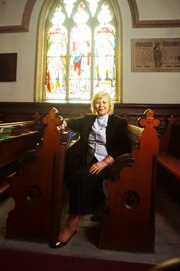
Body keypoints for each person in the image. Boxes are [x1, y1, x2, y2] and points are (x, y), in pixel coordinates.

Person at [50, 91, 131, 248]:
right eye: (98, 102)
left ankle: (71, 224)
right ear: (94, 105)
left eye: (104, 102)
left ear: (110, 105)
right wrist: (62, 123)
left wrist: (105, 162)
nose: (101, 105)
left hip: (110, 163)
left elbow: (123, 146)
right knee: (70, 175)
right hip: (88, 161)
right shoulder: (88, 120)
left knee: (81, 179)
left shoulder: (118, 123)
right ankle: (98, 204)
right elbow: (70, 121)